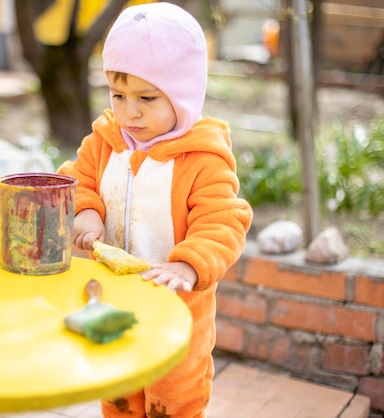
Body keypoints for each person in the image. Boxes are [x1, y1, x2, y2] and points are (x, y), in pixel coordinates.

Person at [57, 2, 253, 417]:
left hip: (177, 315)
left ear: (183, 95)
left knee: (173, 400)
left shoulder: (203, 160)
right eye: (118, 95)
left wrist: (188, 266)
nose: (130, 111)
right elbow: (77, 181)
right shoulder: (104, 142)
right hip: (113, 302)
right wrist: (86, 211)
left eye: (147, 97)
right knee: (120, 394)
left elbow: (223, 220)